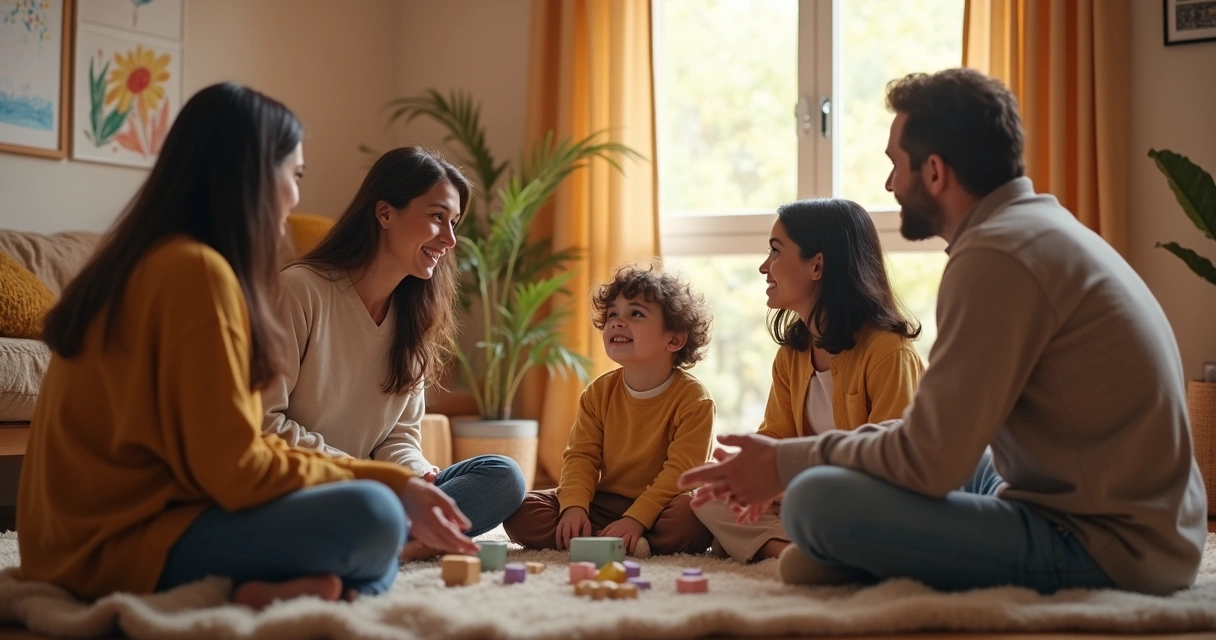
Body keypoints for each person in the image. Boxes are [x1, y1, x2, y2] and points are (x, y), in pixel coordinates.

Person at [680, 68, 1208, 596]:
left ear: (934, 171)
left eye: (895, 165)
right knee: (975, 463)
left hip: (1107, 546)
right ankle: (858, 552)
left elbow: (928, 463)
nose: (889, 185)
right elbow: (937, 438)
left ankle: (846, 550)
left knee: (815, 501)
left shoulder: (996, 257)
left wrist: (786, 465)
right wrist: (778, 460)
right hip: (1126, 521)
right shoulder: (1036, 229)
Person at [17, 83, 477, 609]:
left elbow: (216, 456)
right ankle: (272, 586)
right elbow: (238, 468)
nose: (298, 196)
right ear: (252, 172)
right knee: (373, 516)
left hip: (62, 546)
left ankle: (278, 585)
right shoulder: (198, 274)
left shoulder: (146, 260)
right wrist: (388, 484)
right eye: (295, 175)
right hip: (113, 550)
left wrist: (397, 478)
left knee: (421, 498)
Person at [262, 146, 526, 561]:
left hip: (378, 493)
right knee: (372, 507)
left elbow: (398, 436)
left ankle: (393, 545)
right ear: (385, 213)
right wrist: (372, 478)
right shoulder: (299, 291)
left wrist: (418, 475)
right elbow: (265, 425)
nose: (450, 239)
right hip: (309, 486)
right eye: (437, 217)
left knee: (503, 476)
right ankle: (394, 540)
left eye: (454, 222)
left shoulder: (414, 317)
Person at [691, 198, 924, 565]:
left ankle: (790, 548)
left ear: (817, 265)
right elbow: (776, 437)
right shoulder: (792, 355)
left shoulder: (888, 352)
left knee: (809, 501)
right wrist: (745, 475)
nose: (763, 266)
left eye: (775, 251)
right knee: (710, 495)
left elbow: (891, 467)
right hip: (807, 498)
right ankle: (802, 552)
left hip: (867, 501)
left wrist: (784, 484)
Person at [504, 265, 716, 557]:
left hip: (661, 505)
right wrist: (575, 508)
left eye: (636, 314)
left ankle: (610, 540)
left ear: (674, 339)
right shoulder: (597, 393)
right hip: (602, 503)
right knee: (522, 510)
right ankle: (614, 542)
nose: (617, 322)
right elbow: (582, 457)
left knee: (694, 514)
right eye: (612, 314)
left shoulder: (694, 399)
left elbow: (681, 474)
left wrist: (636, 519)